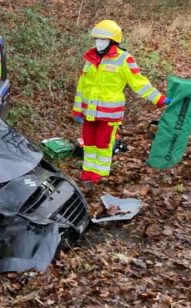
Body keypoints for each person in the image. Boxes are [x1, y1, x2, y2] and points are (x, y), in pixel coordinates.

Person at [72, 20, 169, 185]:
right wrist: (77, 110)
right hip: (89, 113)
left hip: (109, 114)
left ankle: (98, 176)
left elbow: (139, 83)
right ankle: (87, 173)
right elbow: (82, 87)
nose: (99, 42)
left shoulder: (124, 59)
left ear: (113, 41)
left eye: (103, 39)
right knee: (89, 144)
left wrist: (158, 98)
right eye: (97, 39)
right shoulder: (91, 59)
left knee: (103, 145)